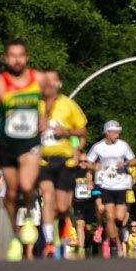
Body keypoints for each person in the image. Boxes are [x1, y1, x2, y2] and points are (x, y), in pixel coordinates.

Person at [0, 41, 45, 260]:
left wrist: (44, 118)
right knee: (10, 192)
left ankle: (29, 214)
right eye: (12, 56)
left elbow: (48, 99)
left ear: (26, 58)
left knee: (27, 185)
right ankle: (16, 236)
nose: (17, 60)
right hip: (7, 144)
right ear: (5, 58)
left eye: (21, 55)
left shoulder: (37, 78)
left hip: (30, 143)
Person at [30, 69, 88, 259]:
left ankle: (63, 225)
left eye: (52, 81)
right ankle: (48, 242)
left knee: (62, 207)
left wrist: (67, 133)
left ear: (58, 84)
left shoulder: (68, 104)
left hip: (65, 160)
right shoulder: (35, 106)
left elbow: (82, 132)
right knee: (47, 198)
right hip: (43, 159)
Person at [89, 120, 136, 255]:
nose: (118, 134)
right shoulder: (98, 147)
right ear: (107, 132)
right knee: (109, 217)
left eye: (118, 132)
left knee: (120, 217)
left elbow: (134, 161)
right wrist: (94, 168)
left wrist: (126, 163)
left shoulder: (123, 145)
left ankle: (117, 234)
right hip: (106, 186)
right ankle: (116, 244)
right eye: (115, 132)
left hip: (122, 185)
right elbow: (88, 162)